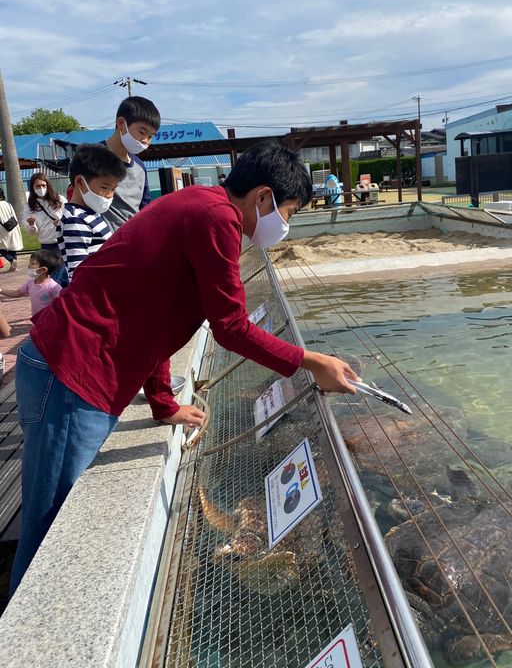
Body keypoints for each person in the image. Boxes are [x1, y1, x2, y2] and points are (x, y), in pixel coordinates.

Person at [10, 140, 358, 594]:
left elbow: (157, 316)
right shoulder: (217, 219)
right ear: (264, 198)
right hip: (70, 372)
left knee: (52, 520)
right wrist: (312, 363)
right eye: (288, 211)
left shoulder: (202, 206)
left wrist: (162, 403)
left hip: (81, 370)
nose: (285, 225)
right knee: (47, 530)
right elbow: (231, 327)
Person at [58, 144, 127, 280]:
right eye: (104, 187)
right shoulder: (75, 220)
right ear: (80, 182)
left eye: (113, 189)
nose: (109, 195)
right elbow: (78, 272)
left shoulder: (90, 214)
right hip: (93, 293)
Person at [102, 96, 159, 232]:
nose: (145, 140)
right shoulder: (93, 157)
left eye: (150, 136)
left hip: (133, 243)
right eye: (142, 132)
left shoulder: (140, 167)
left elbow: (145, 209)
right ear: (121, 124)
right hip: (101, 245)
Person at [23, 173, 68, 287]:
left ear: (48, 185)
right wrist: (32, 225)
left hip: (61, 243)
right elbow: (31, 232)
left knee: (56, 278)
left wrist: (61, 222)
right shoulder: (30, 206)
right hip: (45, 245)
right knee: (54, 275)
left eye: (43, 185)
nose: (41, 188)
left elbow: (70, 218)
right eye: (37, 186)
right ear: (32, 188)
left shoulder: (60, 200)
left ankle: (58, 299)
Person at [0, 249, 62, 316]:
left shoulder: (54, 287)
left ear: (43, 269)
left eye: (33, 263)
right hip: (36, 320)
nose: (29, 265)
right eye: (30, 262)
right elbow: (16, 293)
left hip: (50, 321)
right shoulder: (30, 283)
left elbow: (61, 306)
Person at [0, 189, 23, 272]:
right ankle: (14, 266)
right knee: (12, 247)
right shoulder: (8, 204)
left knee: (1, 248)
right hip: (13, 227)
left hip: (2, 229)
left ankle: (12, 260)